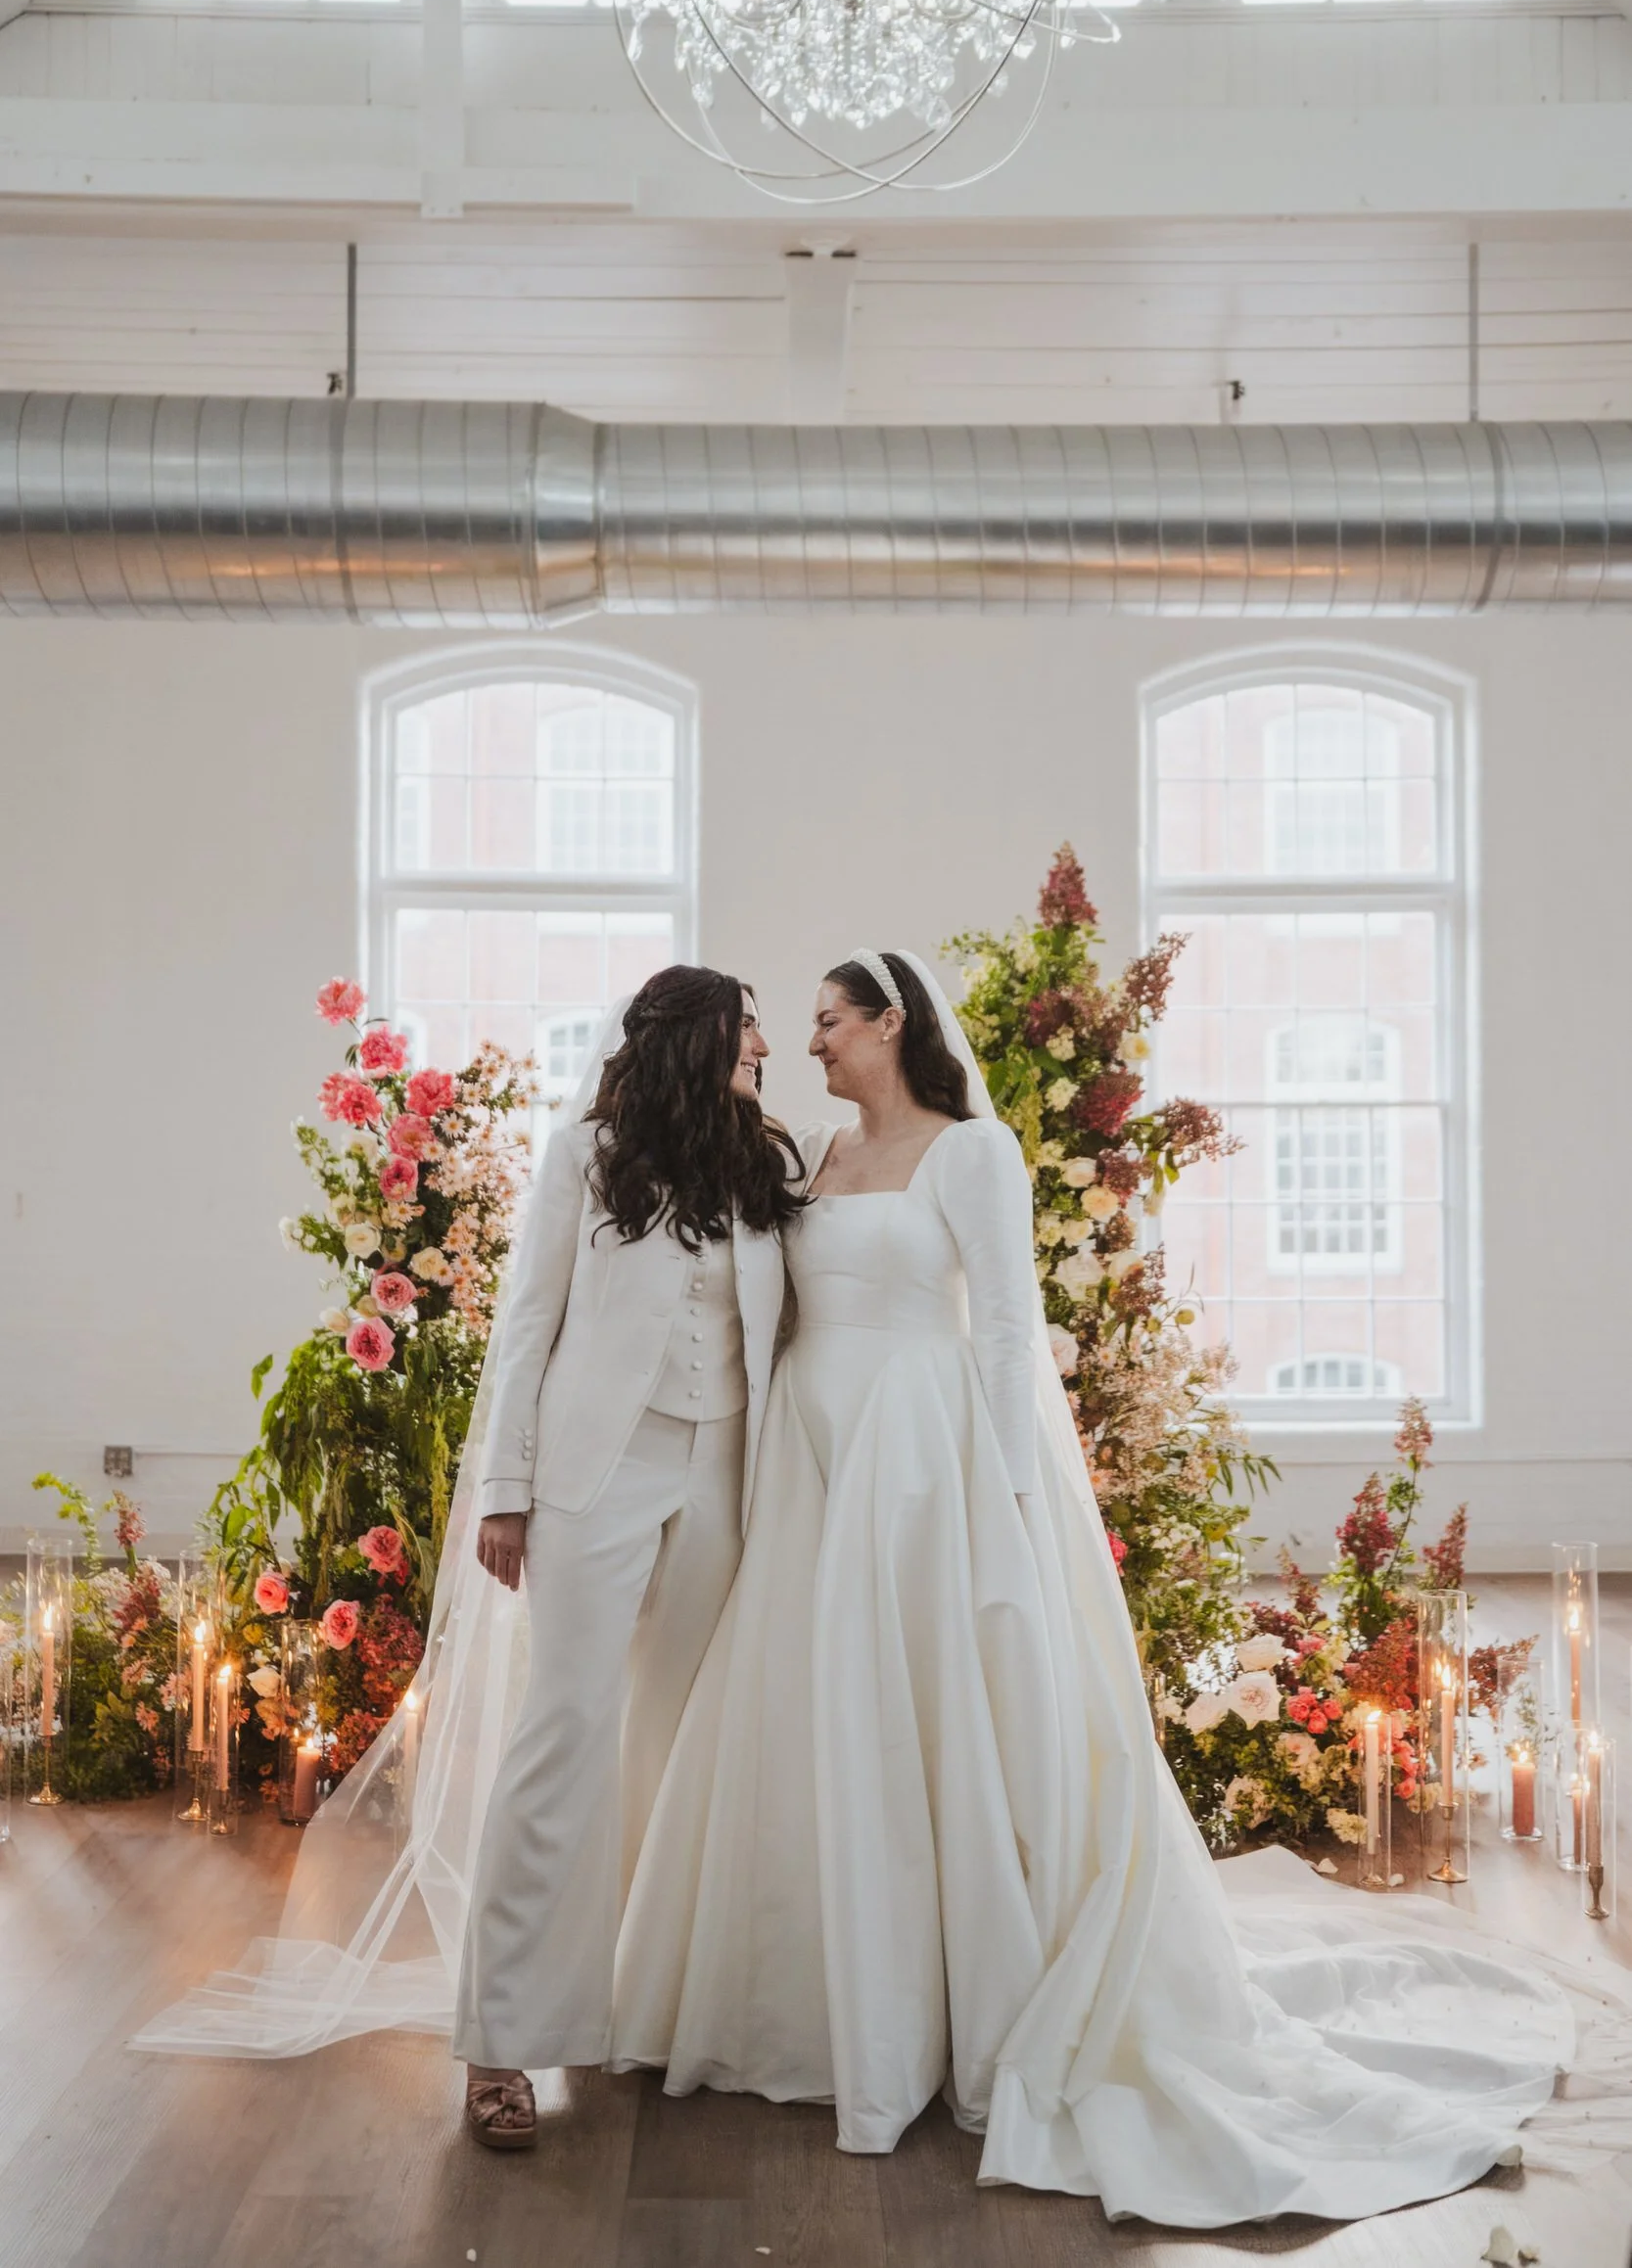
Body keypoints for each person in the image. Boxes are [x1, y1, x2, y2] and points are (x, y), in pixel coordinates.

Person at [607, 949, 1589, 2227]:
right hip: (812, 1456)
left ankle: (949, 2007)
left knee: (937, 1712)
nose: (809, 1044)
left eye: (828, 1022)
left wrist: (1010, 1503)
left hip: (919, 1461)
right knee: (815, 1715)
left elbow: (1006, 1332)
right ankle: (806, 1997)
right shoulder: (806, 1162)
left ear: (891, 1022)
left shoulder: (971, 1155)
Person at [454, 962, 805, 2150]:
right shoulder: (586, 1156)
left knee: (684, 1736)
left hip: (724, 1471)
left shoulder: (760, 1161)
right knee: (563, 1736)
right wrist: (505, 1492)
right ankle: (499, 2041)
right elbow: (525, 1329)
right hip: (593, 1475)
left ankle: (645, 2006)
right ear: (692, 1035)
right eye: (748, 1022)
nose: (766, 1039)